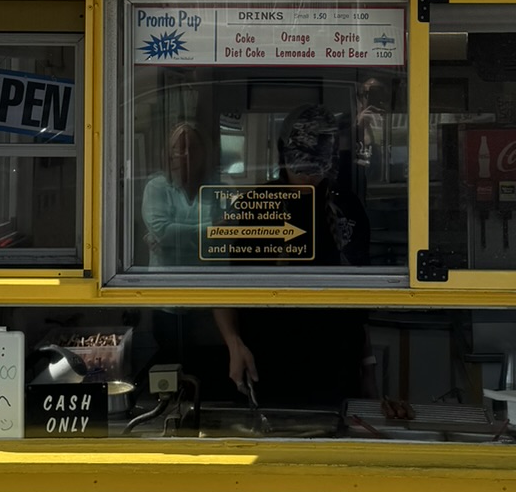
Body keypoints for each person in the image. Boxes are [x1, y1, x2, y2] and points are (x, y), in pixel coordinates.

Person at [216, 104, 374, 407]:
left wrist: (368, 368)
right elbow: (224, 286)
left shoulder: (346, 210)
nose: (309, 177)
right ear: (283, 154)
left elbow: (361, 298)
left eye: (318, 165)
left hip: (337, 362)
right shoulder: (258, 205)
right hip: (268, 359)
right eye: (300, 164)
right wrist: (233, 343)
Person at [140, 121, 209, 268]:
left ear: (203, 153)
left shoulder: (219, 188)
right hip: (166, 280)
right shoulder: (156, 187)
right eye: (180, 150)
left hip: (210, 278)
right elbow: (164, 232)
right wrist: (211, 227)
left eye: (193, 149)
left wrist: (176, 238)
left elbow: (226, 235)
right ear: (169, 155)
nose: (187, 156)